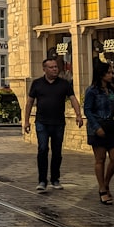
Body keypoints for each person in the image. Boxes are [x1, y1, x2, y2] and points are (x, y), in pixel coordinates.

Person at [22, 58, 83, 193]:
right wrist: (26, 121)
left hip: (58, 122)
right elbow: (29, 102)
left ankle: (55, 179)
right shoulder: (37, 84)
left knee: (57, 151)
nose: (55, 69)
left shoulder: (64, 84)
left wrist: (78, 114)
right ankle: (42, 180)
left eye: (56, 67)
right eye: (51, 67)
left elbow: (73, 99)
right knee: (43, 149)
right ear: (44, 69)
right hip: (42, 122)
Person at [84, 62, 114, 205]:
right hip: (98, 127)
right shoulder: (92, 91)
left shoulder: (111, 90)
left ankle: (106, 182)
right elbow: (87, 110)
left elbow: (111, 108)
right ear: (101, 74)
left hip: (110, 126)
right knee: (100, 159)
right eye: (108, 72)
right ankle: (102, 189)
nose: (111, 75)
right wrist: (96, 127)